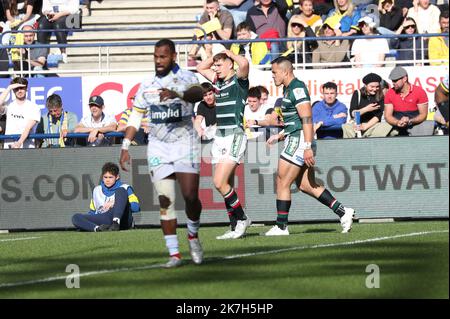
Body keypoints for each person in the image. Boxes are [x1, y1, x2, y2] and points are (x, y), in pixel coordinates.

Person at [119, 39, 205, 268]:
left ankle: (193, 236)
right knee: (166, 200)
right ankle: (174, 254)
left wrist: (175, 92)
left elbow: (199, 94)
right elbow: (136, 116)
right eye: (156, 56)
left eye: (163, 56)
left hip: (185, 140)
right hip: (158, 144)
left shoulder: (187, 76)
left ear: (173, 56)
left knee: (190, 196)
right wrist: (125, 145)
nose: (158, 61)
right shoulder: (146, 84)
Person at [262, 57, 355, 236]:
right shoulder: (290, 90)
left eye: (274, 72)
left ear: (285, 71)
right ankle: (344, 212)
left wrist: (306, 146)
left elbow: (307, 119)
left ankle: (281, 227)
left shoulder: (296, 88)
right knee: (307, 185)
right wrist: (281, 136)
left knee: (282, 181)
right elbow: (296, 121)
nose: (272, 76)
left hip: (299, 141)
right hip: (296, 138)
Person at [196, 50, 251, 240]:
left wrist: (228, 53)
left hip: (234, 136)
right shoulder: (217, 82)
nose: (215, 68)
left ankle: (243, 219)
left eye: (219, 65)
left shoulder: (239, 81)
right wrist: (216, 57)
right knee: (225, 184)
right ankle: (234, 226)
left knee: (219, 182)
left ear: (229, 65)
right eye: (215, 66)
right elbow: (200, 67)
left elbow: (244, 64)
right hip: (219, 137)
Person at [72, 162, 140, 232]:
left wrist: (115, 203)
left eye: (110, 177)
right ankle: (98, 229)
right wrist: (85, 222)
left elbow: (136, 208)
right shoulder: (96, 190)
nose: (107, 180)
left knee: (121, 190)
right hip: (105, 218)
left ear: (117, 177)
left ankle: (115, 222)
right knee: (76, 217)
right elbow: (92, 212)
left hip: (123, 219)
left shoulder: (125, 188)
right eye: (105, 177)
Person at [382, 66, 434, 136]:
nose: (393, 83)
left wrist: (410, 121)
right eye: (392, 81)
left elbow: (423, 115)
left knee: (426, 125)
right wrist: (397, 122)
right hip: (396, 125)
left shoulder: (419, 92)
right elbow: (388, 116)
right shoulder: (390, 93)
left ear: (404, 79)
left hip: (415, 124)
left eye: (395, 80)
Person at [342, 72, 393, 138]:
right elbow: (352, 113)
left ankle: (371, 143)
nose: (375, 89)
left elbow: (378, 116)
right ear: (365, 85)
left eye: (377, 87)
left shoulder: (380, 95)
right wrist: (366, 109)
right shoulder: (357, 93)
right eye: (372, 87)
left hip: (373, 125)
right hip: (357, 124)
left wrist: (365, 127)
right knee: (346, 127)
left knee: (387, 126)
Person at [0, 77, 40, 149]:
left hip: (27, 147)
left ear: (26, 89)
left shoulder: (34, 107)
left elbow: (28, 128)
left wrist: (19, 142)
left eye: (21, 88)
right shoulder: (9, 105)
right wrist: (9, 88)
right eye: (16, 89)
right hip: (9, 146)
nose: (19, 91)